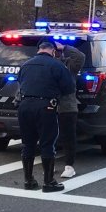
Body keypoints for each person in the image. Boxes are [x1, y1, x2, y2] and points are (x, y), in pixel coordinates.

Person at [17, 41, 76, 192]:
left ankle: (28, 180)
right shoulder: (57, 66)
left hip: (24, 106)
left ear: (39, 50)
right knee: (47, 143)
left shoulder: (25, 65)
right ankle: (48, 182)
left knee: (28, 143)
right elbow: (68, 88)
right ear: (53, 51)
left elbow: (20, 83)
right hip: (46, 107)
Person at [53, 39, 85, 179]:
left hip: (67, 105)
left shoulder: (68, 64)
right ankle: (49, 163)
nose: (55, 53)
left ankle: (69, 166)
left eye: (57, 51)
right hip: (48, 105)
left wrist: (65, 47)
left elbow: (80, 57)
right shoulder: (44, 64)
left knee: (68, 136)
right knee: (48, 137)